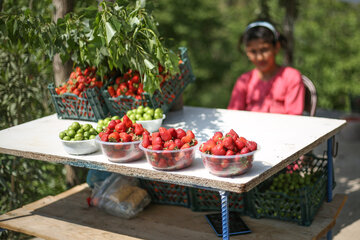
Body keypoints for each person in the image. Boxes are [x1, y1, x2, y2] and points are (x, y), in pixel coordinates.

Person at [228, 20, 305, 115]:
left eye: (264, 50)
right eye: (253, 51)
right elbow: (233, 115)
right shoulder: (244, 80)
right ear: (247, 52)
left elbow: (295, 118)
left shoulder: (291, 77)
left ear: (276, 47)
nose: (259, 57)